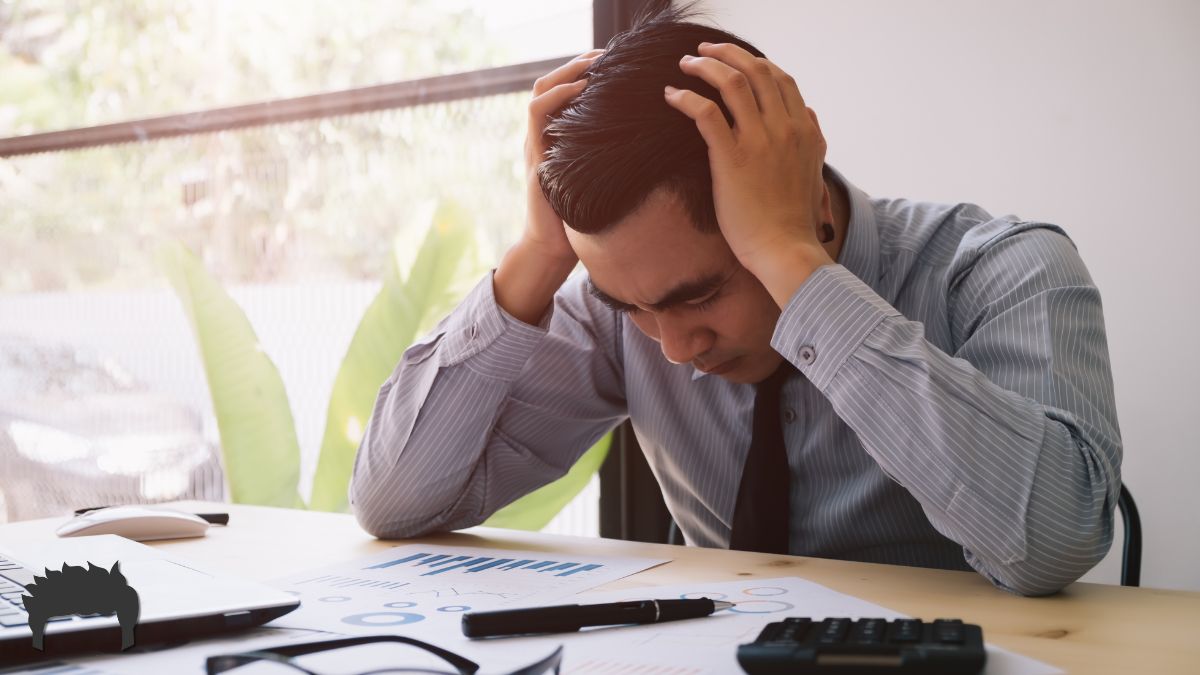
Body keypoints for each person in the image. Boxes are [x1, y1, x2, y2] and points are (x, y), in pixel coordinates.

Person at [349, 6, 1122, 596]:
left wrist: (794, 266)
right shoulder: (630, 309)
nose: (675, 348)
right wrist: (537, 255)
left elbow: (1050, 542)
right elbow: (393, 499)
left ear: (806, 197)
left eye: (705, 292)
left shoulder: (1004, 270)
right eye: (635, 310)